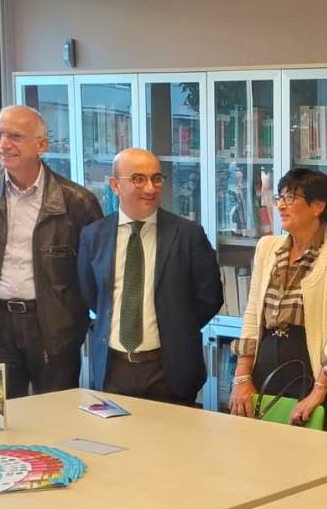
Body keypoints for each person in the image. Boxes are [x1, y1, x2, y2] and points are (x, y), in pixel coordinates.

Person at [0, 105, 102, 509]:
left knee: (56, 425)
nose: (4, 144)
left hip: (53, 327)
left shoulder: (76, 201)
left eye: (15, 137)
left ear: (42, 144)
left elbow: (91, 271)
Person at [77, 148, 223, 404]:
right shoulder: (94, 236)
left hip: (169, 370)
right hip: (113, 367)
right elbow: (90, 295)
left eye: (156, 179)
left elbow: (210, 297)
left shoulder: (188, 235)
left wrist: (176, 327)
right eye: (138, 179)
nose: (150, 188)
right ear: (115, 185)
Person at [228, 168, 327, 432]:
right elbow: (252, 313)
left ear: (318, 206)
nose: (280, 205)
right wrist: (242, 377)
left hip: (318, 377)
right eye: (280, 197)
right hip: (265, 371)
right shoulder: (267, 247)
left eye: (290, 197)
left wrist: (319, 391)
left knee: (313, 454)